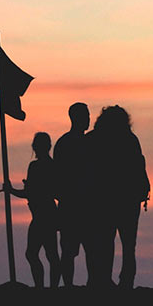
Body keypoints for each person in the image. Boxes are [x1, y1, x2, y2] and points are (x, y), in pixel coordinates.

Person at [87, 105, 151, 288]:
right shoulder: (129, 140)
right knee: (128, 245)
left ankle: (105, 279)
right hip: (126, 199)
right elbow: (139, 166)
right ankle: (125, 280)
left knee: (106, 243)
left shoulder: (93, 140)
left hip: (104, 200)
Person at [4, 133, 60, 288]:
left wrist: (13, 190)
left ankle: (43, 287)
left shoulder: (37, 167)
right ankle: (44, 286)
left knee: (41, 254)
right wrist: (14, 190)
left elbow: (31, 192)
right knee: (44, 254)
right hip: (44, 213)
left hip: (44, 214)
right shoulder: (50, 165)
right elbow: (31, 191)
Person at [51, 103, 90, 287]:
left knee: (78, 249)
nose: (89, 119)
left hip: (74, 203)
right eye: (86, 115)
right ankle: (69, 285)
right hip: (75, 204)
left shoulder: (63, 142)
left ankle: (71, 285)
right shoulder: (79, 143)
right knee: (71, 250)